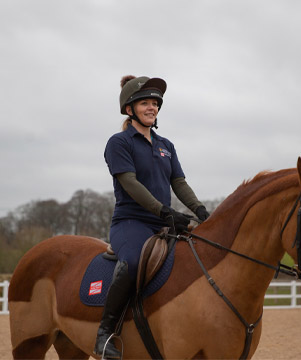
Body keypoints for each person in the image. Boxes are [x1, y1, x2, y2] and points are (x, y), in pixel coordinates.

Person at [93, 75, 210, 358]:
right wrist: (164, 210)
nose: (152, 108)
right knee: (132, 261)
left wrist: (200, 210)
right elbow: (130, 183)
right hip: (131, 222)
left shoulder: (166, 145)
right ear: (130, 109)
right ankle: (105, 334)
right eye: (145, 103)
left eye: (155, 103)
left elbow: (178, 183)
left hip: (164, 222)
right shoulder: (119, 142)